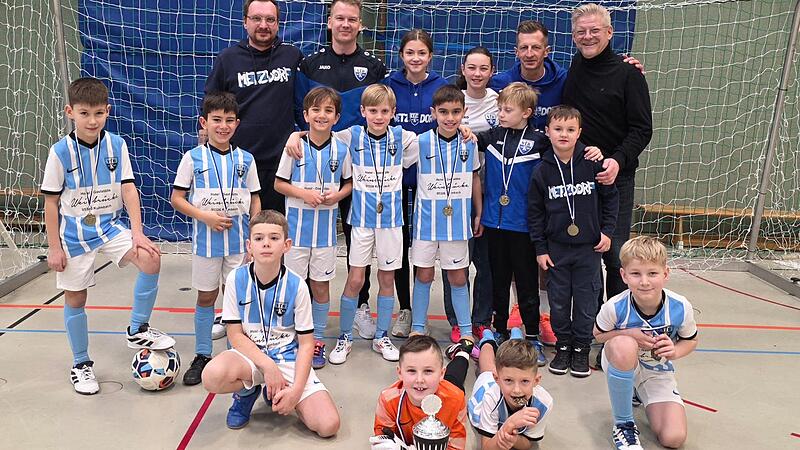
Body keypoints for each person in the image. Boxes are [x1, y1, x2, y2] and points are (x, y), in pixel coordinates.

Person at [41, 77, 175, 394]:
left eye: (98, 113)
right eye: (85, 113)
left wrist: (138, 233)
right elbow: (50, 202)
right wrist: (54, 248)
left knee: (151, 259)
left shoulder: (117, 145)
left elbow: (128, 188)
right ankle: (81, 365)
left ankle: (137, 329)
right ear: (70, 112)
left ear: (108, 111)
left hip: (110, 226)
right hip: (74, 234)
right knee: (77, 298)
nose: (92, 120)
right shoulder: (60, 152)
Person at [284, 84, 419, 364]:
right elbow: (320, 132)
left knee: (386, 279)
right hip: (361, 222)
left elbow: (438, 137)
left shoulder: (403, 137)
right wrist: (294, 134)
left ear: (394, 112)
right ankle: (345, 335)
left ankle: (382, 336)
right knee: (356, 279)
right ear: (362, 111)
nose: (379, 117)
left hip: (392, 222)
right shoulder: (351, 136)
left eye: (385, 111)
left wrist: (464, 130)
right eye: (373, 111)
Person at [201, 210, 340, 436]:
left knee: (328, 426)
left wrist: (295, 392)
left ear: (286, 245)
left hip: (287, 357)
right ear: (249, 245)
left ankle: (279, 393)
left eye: (274, 238)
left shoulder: (298, 286)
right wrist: (267, 366)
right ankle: (248, 392)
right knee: (212, 377)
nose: (266, 244)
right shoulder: (236, 279)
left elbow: (306, 344)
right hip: (250, 355)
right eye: (259, 238)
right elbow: (235, 336)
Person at [295, 0, 389, 334]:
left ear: (360, 24)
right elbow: (300, 111)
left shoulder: (374, 67)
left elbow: (379, 113)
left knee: (357, 237)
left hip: (360, 168)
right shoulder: (310, 64)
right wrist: (300, 138)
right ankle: (302, 304)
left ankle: (360, 304)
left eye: (352, 19)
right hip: (317, 164)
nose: (345, 24)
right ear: (329, 22)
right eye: (340, 18)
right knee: (307, 238)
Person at [562, 3, 653, 313]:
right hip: (582, 179)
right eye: (581, 32)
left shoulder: (629, 74)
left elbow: (642, 129)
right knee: (586, 255)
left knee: (615, 256)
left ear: (610, 33)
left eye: (594, 31)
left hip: (617, 179)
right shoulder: (575, 68)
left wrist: (617, 160)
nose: (588, 37)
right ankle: (592, 324)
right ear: (573, 36)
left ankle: (617, 326)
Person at [171, 92, 262, 385]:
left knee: (235, 298)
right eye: (217, 120)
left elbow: (256, 199)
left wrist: (254, 234)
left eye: (229, 120)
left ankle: (239, 352)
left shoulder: (245, 159)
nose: (223, 126)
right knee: (207, 296)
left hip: (238, 244)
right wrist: (205, 217)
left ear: (237, 123)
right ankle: (202, 354)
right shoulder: (193, 158)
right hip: (206, 244)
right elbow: (177, 198)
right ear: (204, 122)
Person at [528, 106, 618, 378]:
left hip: (588, 249)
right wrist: (540, 248)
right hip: (556, 249)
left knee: (586, 299)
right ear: (548, 132)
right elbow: (535, 213)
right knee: (557, 301)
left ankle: (581, 347)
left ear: (579, 133)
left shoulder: (593, 163)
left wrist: (607, 231)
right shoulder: (542, 170)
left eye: (570, 130)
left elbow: (611, 198)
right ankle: (563, 345)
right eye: (558, 129)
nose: (563, 135)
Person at [274, 87, 353, 370]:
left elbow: (349, 183)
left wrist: (338, 196)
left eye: (328, 111)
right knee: (294, 286)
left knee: (321, 287)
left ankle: (317, 338)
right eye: (316, 110)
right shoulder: (294, 147)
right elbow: (278, 184)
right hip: (295, 234)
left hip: (325, 236)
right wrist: (303, 194)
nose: (322, 115)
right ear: (306, 115)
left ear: (336, 117)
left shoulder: (341, 149)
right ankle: (290, 336)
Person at [594, 236, 698, 449]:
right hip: (620, 358)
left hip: (656, 369)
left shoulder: (680, 306)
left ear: (665, 274)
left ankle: (637, 391)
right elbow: (598, 335)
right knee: (623, 344)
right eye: (635, 274)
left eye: (652, 273)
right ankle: (623, 424)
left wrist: (675, 351)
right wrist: (629, 334)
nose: (644, 281)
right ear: (623, 275)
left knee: (674, 438)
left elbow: (691, 340)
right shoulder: (614, 306)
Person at [205, 0, 303, 213]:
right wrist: (205, 146)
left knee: (274, 232)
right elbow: (209, 108)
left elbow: (307, 105)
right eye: (256, 18)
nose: (263, 25)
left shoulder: (292, 56)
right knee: (238, 230)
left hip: (281, 163)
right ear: (245, 22)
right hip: (237, 161)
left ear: (278, 24)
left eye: (270, 19)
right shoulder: (227, 59)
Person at [383, 29, 450, 339]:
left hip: (431, 184)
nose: (415, 58)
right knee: (399, 246)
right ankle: (406, 310)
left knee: (430, 250)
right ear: (402, 55)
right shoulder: (389, 86)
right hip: (393, 181)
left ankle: (438, 313)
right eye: (410, 52)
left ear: (430, 56)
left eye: (421, 53)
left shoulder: (441, 87)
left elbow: (451, 123)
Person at [408, 85, 482, 349]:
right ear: (433, 113)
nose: (450, 118)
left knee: (458, 277)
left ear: (464, 112)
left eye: (455, 112)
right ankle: (418, 327)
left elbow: (474, 178)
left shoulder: (469, 143)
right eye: (443, 112)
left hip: (458, 224)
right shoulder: (420, 142)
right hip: (425, 225)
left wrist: (479, 212)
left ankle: (465, 330)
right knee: (424, 275)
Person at [455, 46, 497, 344]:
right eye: (472, 67)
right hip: (454, 192)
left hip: (489, 190)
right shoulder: (452, 101)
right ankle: (459, 320)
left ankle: (482, 320)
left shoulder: (498, 101)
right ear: (463, 69)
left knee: (485, 263)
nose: (477, 74)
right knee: (455, 262)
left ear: (492, 71)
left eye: (483, 68)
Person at [371, 335, 468, 450]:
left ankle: (462, 352)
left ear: (441, 373)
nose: (419, 380)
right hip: (433, 386)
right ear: (400, 373)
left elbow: (456, 447)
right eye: (411, 370)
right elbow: (382, 441)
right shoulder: (388, 400)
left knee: (457, 372)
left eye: (428, 371)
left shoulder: (456, 399)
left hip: (447, 387)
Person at [463, 328, 554, 449]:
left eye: (525, 381)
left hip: (502, 383)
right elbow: (487, 447)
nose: (517, 390)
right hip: (484, 387)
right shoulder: (490, 397)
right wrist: (510, 424)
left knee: (514, 354)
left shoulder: (544, 403)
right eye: (509, 381)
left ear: (536, 380)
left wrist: (512, 437)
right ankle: (487, 340)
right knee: (487, 368)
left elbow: (527, 443)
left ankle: (516, 335)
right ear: (497, 379)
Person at [489, 20, 566, 131]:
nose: (529, 54)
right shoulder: (500, 83)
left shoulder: (563, 81)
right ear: (517, 52)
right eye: (524, 48)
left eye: (536, 47)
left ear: (546, 51)